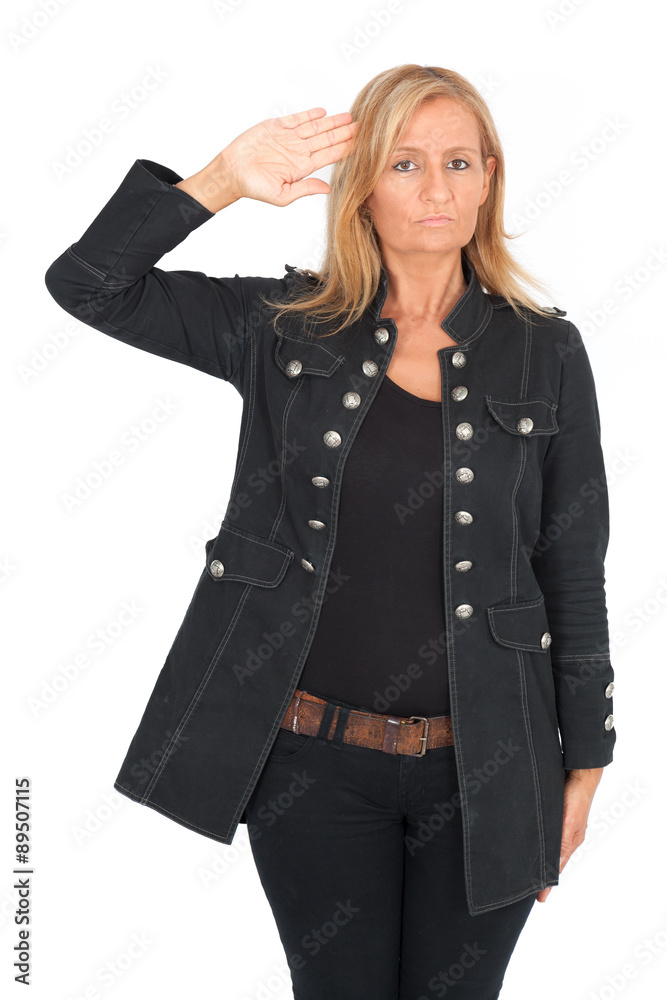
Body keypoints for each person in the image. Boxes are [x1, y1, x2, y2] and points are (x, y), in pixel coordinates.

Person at [44, 64, 615, 999]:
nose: (436, 188)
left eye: (458, 162)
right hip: (309, 767)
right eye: (404, 163)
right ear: (361, 186)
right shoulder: (281, 327)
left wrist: (585, 761)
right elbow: (89, 285)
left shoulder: (545, 349)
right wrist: (220, 180)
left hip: (493, 765)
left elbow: (572, 565)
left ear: (488, 178)